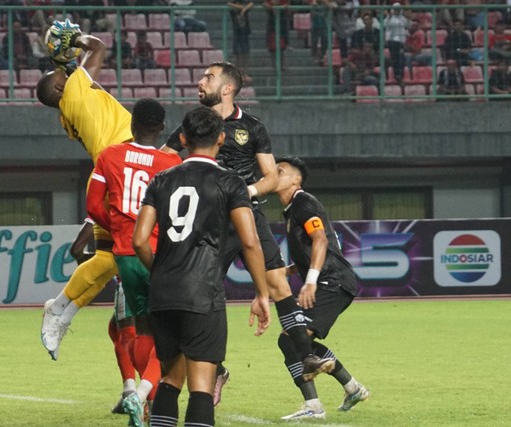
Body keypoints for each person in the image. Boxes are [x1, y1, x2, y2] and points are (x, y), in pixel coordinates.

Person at [163, 62, 335, 408]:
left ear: (227, 88)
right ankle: (218, 370)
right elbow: (164, 159)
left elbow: (271, 177)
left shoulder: (252, 126)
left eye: (208, 77)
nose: (200, 82)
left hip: (246, 212)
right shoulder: (195, 124)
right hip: (209, 220)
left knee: (279, 285)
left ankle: (307, 357)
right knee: (198, 292)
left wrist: (244, 192)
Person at [133, 106, 271, 427]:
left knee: (169, 379)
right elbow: (250, 241)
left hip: (163, 292)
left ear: (182, 138)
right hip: (203, 293)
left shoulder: (161, 180)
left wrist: (159, 271)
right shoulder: (231, 183)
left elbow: (139, 240)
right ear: (222, 137)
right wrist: (262, 293)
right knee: (201, 388)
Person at [36, 26, 134, 361]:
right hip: (122, 168)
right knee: (112, 256)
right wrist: (73, 40)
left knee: (108, 257)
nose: (64, 73)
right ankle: (59, 309)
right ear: (61, 86)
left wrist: (63, 57)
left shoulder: (69, 110)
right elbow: (100, 46)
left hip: (112, 170)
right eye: (59, 75)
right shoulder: (74, 91)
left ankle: (61, 311)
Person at [86, 99, 182, 426]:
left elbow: (92, 205)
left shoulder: (109, 156)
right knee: (170, 335)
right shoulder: (170, 164)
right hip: (157, 255)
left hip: (126, 254)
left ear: (132, 125)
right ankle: (143, 397)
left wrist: (116, 227)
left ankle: (141, 407)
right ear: (161, 127)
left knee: (141, 327)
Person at [273, 156, 369, 421]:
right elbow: (313, 245)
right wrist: (292, 270)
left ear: (296, 179)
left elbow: (320, 240)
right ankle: (352, 389)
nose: (273, 173)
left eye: (280, 171)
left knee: (291, 339)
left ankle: (314, 407)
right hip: (331, 279)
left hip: (331, 281)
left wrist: (311, 279)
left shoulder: (304, 202)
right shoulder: (293, 209)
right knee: (296, 340)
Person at [68, 217, 140, 415]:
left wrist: (99, 265)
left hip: (131, 275)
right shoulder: (146, 201)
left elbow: (76, 249)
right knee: (117, 329)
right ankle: (134, 392)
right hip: (160, 274)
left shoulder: (106, 207)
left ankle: (140, 395)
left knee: (129, 334)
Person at [384, 2, 409, 85]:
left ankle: (399, 76)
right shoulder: (390, 18)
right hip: (392, 41)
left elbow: (406, 27)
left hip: (401, 41)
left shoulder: (403, 19)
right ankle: (397, 76)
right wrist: (389, 17)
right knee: (395, 59)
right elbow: (385, 25)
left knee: (401, 59)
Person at [228, 0, 253, 81]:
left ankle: (245, 73)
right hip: (237, 33)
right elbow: (229, 4)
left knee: (245, 55)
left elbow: (251, 4)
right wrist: (242, 8)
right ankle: (237, 74)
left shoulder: (244, 10)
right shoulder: (233, 11)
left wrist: (244, 10)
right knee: (237, 55)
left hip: (244, 33)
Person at [264, 0, 290, 70]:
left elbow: (287, 5)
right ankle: (274, 65)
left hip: (282, 18)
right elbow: (265, 4)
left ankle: (282, 65)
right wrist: (270, 5)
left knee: (282, 44)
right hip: (272, 19)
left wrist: (280, 5)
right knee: (272, 44)